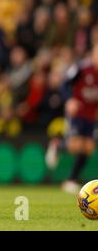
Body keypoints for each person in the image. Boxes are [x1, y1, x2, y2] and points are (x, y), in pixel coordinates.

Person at [45, 44, 98, 193]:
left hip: (91, 115)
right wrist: (69, 100)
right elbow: (64, 84)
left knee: (88, 148)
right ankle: (57, 146)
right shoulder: (82, 68)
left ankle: (71, 180)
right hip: (77, 113)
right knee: (76, 145)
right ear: (93, 54)